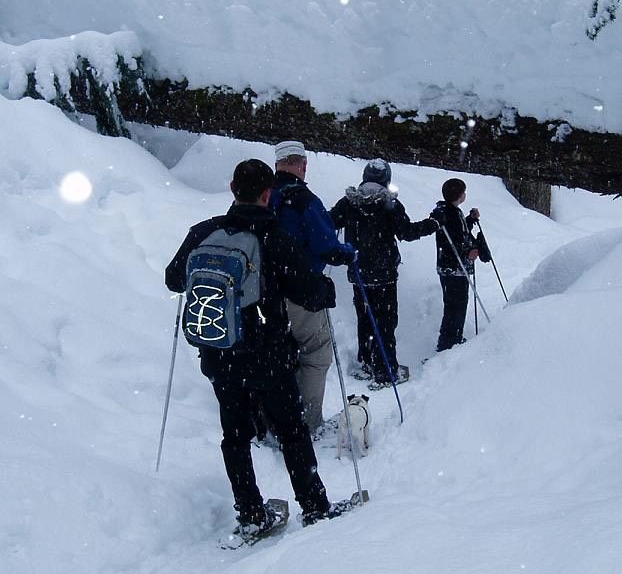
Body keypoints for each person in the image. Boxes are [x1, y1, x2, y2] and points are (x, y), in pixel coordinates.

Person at [165, 159, 349, 531]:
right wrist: (326, 289)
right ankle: (314, 507)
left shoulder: (204, 231)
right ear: (269, 194)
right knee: (292, 431)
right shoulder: (276, 238)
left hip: (218, 353)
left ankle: (250, 513)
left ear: (233, 187)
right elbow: (310, 293)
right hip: (268, 357)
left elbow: (173, 279)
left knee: (234, 436)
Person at [269, 141, 356, 432]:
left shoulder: (261, 194)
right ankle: (304, 423)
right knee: (315, 353)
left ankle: (270, 419)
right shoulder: (304, 200)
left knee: (275, 353)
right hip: (299, 291)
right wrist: (348, 252)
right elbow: (326, 246)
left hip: (261, 290)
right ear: (303, 165)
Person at [330, 158, 437, 388]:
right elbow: (407, 232)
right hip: (385, 273)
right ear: (386, 180)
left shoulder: (349, 203)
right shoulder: (390, 204)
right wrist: (432, 224)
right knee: (386, 321)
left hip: (358, 272)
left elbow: (329, 222)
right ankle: (385, 370)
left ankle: (366, 363)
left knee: (365, 318)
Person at [429, 177, 480, 352]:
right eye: (463, 192)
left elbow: (460, 233)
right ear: (459, 195)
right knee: (455, 306)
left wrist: (470, 220)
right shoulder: (448, 214)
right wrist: (467, 253)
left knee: (456, 305)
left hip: (452, 267)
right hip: (454, 269)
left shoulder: (452, 212)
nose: (465, 195)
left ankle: (453, 339)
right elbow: (452, 243)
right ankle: (448, 344)